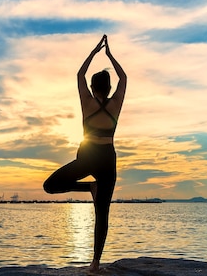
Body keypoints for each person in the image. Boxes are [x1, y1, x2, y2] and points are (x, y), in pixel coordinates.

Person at [43, 34, 127, 272]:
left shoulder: (87, 103)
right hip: (108, 158)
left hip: (88, 155)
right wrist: (110, 55)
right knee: (103, 212)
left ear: (92, 88)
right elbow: (124, 78)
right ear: (109, 88)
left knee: (50, 186)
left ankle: (89, 187)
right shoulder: (115, 105)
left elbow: (79, 75)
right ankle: (95, 263)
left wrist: (94, 52)